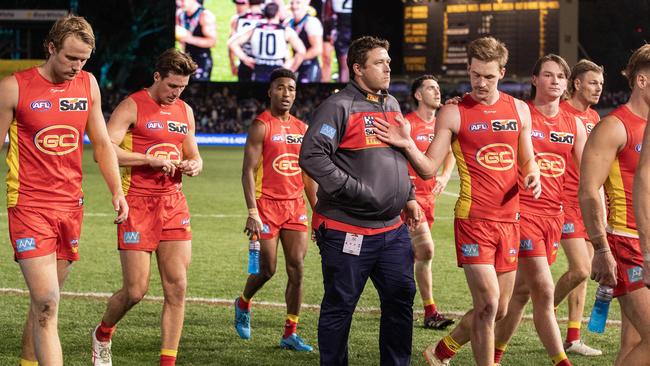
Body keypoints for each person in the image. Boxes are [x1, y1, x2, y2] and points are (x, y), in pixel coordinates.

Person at [372, 36, 541, 366]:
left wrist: (533, 173)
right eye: (475, 74)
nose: (481, 82)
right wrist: (407, 145)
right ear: (468, 69)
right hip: (473, 219)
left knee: (499, 309)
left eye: (489, 76)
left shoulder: (520, 110)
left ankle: (442, 350)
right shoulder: (453, 112)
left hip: (510, 221)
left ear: (502, 73)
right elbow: (429, 168)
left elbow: (528, 160)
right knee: (490, 303)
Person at [0, 15, 128, 366]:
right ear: (51, 48)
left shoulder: (88, 85)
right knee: (47, 302)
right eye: (70, 58)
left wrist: (117, 190)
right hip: (28, 206)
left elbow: (102, 143)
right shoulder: (13, 87)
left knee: (45, 303)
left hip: (71, 208)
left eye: (84, 59)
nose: (77, 66)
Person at [299, 36, 419, 366]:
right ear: (358, 68)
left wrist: (408, 196)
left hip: (392, 231)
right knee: (340, 306)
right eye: (380, 62)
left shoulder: (392, 105)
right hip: (347, 229)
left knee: (400, 299)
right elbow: (311, 156)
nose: (388, 68)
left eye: (388, 62)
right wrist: (353, 188)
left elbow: (397, 157)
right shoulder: (338, 106)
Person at [91, 49, 202, 366]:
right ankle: (102, 333)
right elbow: (105, 150)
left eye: (182, 87)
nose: (176, 93)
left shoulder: (185, 111)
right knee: (136, 290)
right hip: (137, 204)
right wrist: (148, 159)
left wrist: (194, 164)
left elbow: (193, 153)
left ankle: (167, 362)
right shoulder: (132, 105)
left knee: (177, 287)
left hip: (174, 204)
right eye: (171, 86)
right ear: (157, 77)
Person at [492, 54, 586, 366]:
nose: (555, 81)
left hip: (554, 218)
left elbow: (590, 172)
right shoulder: (519, 113)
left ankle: (467, 351)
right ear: (535, 80)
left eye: (561, 76)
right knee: (544, 292)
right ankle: (562, 361)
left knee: (519, 295)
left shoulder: (573, 124)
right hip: (521, 215)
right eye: (548, 75)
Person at [235, 67, 317, 351]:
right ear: (270, 91)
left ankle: (290, 333)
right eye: (280, 87)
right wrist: (252, 211)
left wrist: (317, 213)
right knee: (267, 269)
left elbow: (308, 176)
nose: (286, 93)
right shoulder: (261, 125)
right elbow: (247, 171)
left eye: (291, 89)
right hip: (266, 207)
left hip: (295, 208)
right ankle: (243, 302)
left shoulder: (301, 128)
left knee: (297, 269)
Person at [582, 44, 650, 366]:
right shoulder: (614, 126)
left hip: (646, 240)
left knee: (634, 341)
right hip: (625, 243)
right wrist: (601, 249)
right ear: (641, 81)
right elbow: (589, 191)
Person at [553, 59, 604, 356]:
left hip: (588, 202)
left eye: (600, 83)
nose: (598, 88)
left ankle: (572, 337)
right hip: (563, 201)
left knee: (583, 273)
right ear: (576, 84)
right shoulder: (559, 112)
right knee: (582, 269)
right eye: (592, 82)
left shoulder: (595, 117)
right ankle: (545, 310)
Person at [405, 75, 455, 330]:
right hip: (409, 200)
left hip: (430, 199)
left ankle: (419, 309)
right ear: (417, 95)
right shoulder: (406, 124)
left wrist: (445, 176)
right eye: (430, 88)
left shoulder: (441, 126)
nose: (437, 91)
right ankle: (430, 311)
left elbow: (451, 153)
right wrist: (406, 194)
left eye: (438, 87)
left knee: (412, 257)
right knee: (426, 250)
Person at [228, 3, 306, 83]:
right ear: (278, 14)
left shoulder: (254, 29)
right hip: (278, 69)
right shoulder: (286, 31)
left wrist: (245, 59)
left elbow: (232, 43)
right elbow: (301, 51)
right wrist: (292, 68)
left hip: (259, 70)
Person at [175, 0, 217, 81]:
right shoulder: (180, 14)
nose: (180, 3)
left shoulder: (205, 16)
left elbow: (212, 42)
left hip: (202, 60)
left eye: (183, 0)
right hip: (186, 59)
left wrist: (189, 39)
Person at [287, 0, 324, 83]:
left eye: (298, 3)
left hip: (309, 65)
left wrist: (297, 59)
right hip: (294, 65)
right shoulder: (288, 22)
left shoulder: (311, 22)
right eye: (292, 3)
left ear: (306, 4)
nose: (294, 6)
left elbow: (317, 49)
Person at [229, 0, 265, 81]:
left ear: (248, 2)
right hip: (262, 61)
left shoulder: (237, 19)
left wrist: (232, 63)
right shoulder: (267, 18)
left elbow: (231, 42)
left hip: (244, 61)